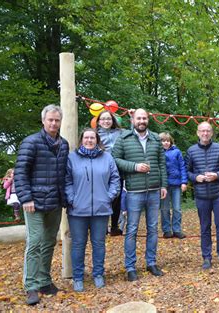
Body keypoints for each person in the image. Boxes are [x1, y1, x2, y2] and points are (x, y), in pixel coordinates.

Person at [14, 104, 69, 305]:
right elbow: (20, 172)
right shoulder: (31, 142)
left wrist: (65, 199)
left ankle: (44, 280)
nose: (54, 123)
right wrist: (26, 197)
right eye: (50, 120)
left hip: (55, 202)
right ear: (44, 120)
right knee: (34, 242)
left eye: (57, 120)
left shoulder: (63, 144)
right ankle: (31, 286)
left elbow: (63, 175)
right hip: (34, 203)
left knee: (49, 242)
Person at [112, 108, 167, 281]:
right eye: (139, 118)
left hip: (153, 190)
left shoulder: (156, 138)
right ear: (133, 119)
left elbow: (162, 163)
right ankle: (130, 267)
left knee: (153, 228)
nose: (142, 121)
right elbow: (114, 159)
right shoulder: (124, 138)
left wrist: (163, 184)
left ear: (148, 119)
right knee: (132, 229)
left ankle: (151, 262)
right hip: (134, 191)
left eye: (144, 118)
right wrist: (134, 167)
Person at [65, 128, 120, 292]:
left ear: (97, 140)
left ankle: (98, 274)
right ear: (81, 139)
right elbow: (66, 180)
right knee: (78, 244)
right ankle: (78, 277)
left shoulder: (107, 157)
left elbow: (115, 179)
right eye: (86, 137)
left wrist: (109, 196)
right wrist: (71, 198)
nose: (89, 140)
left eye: (92, 138)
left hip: (101, 209)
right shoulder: (72, 158)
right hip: (77, 210)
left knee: (99, 244)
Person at [185, 122, 219, 270]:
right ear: (198, 133)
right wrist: (195, 178)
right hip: (201, 194)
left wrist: (217, 175)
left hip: (218, 193)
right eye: (202, 131)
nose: (205, 134)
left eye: (208, 131)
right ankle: (206, 256)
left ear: (211, 133)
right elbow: (186, 171)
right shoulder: (191, 151)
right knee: (204, 226)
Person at [96, 110, 124, 236]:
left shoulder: (120, 133)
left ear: (113, 121)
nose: (106, 121)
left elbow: (134, 135)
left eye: (108, 119)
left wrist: (132, 116)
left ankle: (114, 226)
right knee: (102, 197)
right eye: (103, 119)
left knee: (116, 198)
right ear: (98, 121)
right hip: (102, 169)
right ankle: (101, 226)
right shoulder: (95, 134)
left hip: (118, 169)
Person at [159, 132, 188, 239]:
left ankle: (176, 229)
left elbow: (182, 167)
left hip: (176, 184)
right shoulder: (158, 152)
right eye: (163, 141)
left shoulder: (177, 152)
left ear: (171, 142)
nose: (165, 143)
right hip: (163, 185)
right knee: (165, 209)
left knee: (177, 208)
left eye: (167, 141)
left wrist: (184, 182)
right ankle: (166, 230)